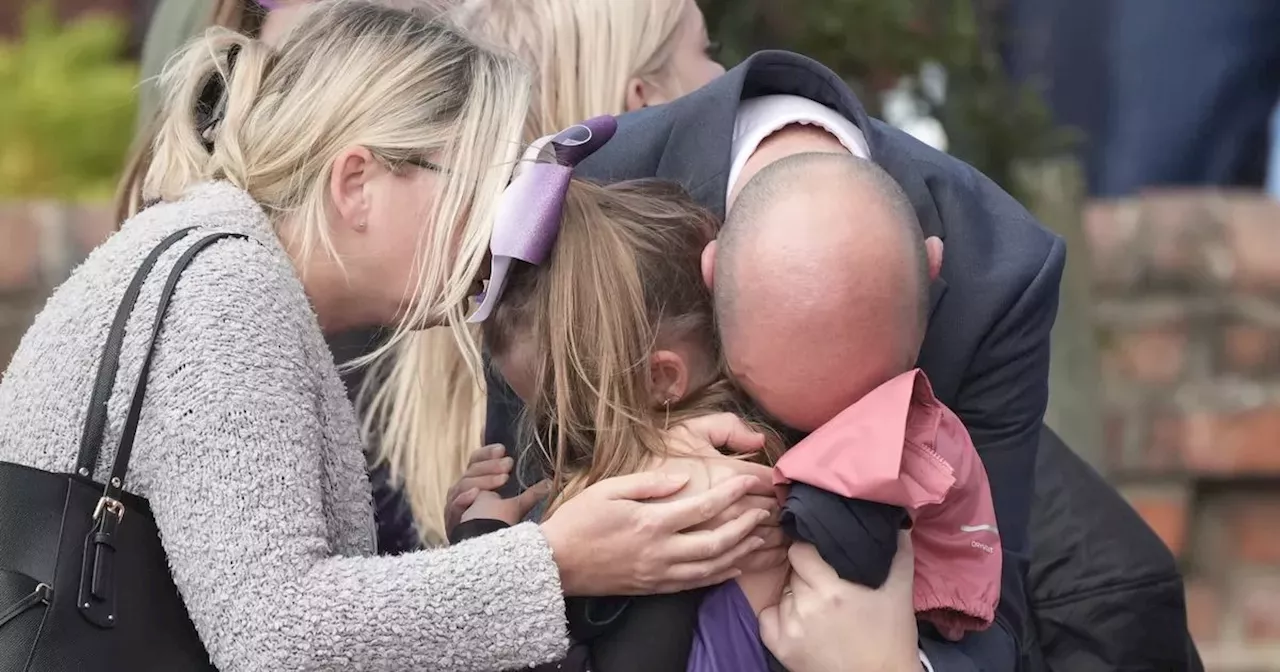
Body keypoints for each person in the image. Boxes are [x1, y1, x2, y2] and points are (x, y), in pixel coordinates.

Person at [0, 4, 777, 670]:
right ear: (357, 184)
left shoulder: (235, 271)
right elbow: (280, 637)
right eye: (487, 189)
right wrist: (554, 560)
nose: (510, 232)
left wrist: (477, 549)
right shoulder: (226, 288)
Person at [485, 50, 1066, 668]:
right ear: (709, 273)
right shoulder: (577, 200)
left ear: (929, 269)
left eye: (863, 409)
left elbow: (995, 609)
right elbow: (528, 513)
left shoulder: (1006, 280)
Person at [457, 164, 970, 670]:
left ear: (661, 380)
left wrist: (486, 540)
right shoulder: (756, 454)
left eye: (560, 410)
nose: (551, 433)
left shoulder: (692, 493)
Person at [373, 0, 731, 541]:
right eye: (706, 52)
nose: (724, 76)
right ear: (643, 97)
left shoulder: (432, 330)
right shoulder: (715, 314)